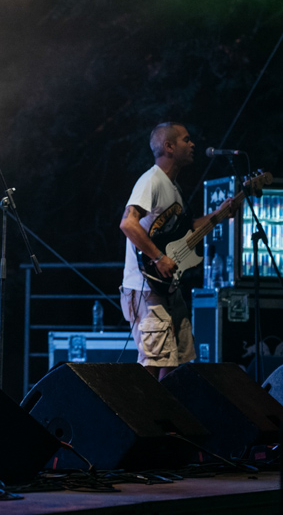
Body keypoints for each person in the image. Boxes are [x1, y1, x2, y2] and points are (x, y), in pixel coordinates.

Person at [118, 122, 236, 380]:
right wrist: (159, 257)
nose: (192, 144)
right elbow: (128, 223)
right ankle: (142, 406)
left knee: (177, 362)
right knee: (154, 361)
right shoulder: (151, 181)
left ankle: (165, 406)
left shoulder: (174, 188)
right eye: (186, 139)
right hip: (146, 287)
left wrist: (220, 214)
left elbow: (187, 230)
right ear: (169, 147)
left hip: (168, 286)